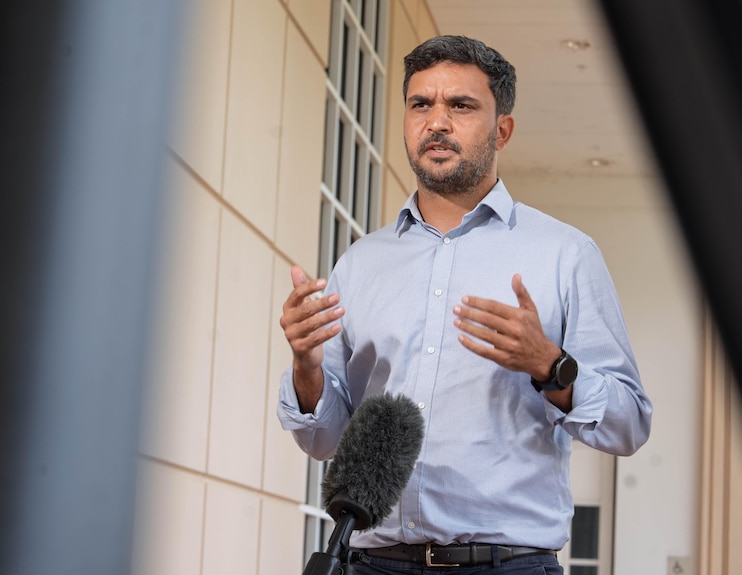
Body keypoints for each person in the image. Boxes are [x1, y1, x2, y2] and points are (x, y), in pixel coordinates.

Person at [277, 35, 652, 574]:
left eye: (461, 105)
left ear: (502, 130)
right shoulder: (359, 264)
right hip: (373, 563)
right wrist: (305, 367)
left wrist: (551, 366)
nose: (436, 122)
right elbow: (324, 440)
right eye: (420, 104)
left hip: (509, 565)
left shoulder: (565, 255)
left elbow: (629, 425)